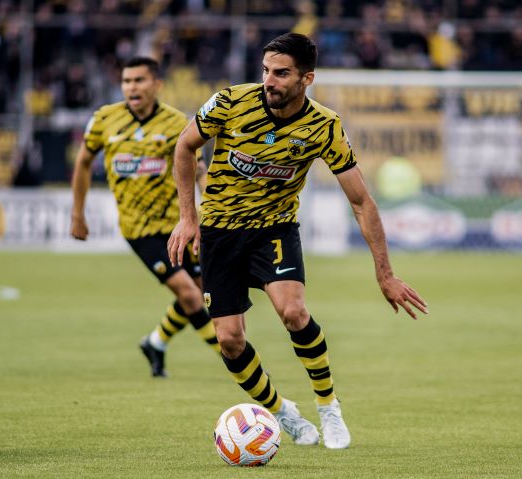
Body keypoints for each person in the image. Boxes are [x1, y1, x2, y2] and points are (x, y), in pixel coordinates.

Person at [167, 33, 427, 449]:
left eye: (281, 73)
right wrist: (187, 217)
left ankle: (328, 406)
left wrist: (385, 274)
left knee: (293, 311)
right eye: (266, 71)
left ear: (307, 78)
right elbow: (185, 147)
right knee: (229, 339)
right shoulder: (230, 102)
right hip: (219, 232)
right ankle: (282, 411)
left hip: (274, 229)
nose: (269, 81)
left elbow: (362, 202)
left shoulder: (324, 126)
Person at [70, 56, 220, 378]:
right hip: (140, 230)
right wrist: (77, 214)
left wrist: (210, 210)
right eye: (126, 81)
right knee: (190, 294)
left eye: (139, 80)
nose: (131, 87)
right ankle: (235, 360)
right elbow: (83, 162)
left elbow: (199, 170)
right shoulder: (104, 120)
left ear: (156, 84)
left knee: (201, 289)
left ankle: (155, 342)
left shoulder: (176, 122)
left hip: (178, 225)